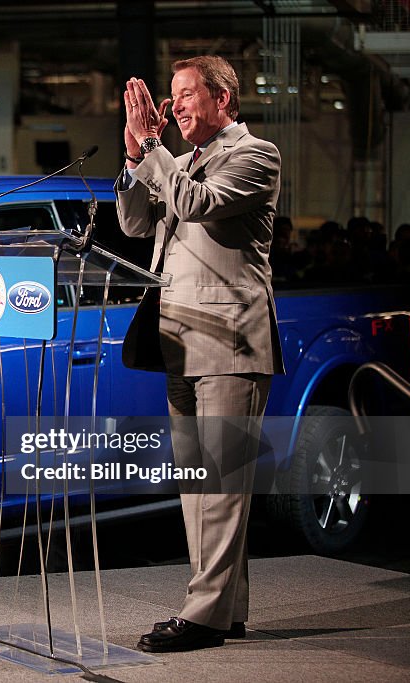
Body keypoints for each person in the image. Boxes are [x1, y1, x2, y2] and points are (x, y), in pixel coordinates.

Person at [116, 55, 283, 653]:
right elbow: (135, 224)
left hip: (231, 343)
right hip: (179, 340)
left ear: (225, 101)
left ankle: (204, 614)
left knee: (221, 487)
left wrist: (154, 149)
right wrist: (136, 155)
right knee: (201, 486)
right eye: (171, 96)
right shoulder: (175, 161)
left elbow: (193, 205)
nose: (175, 105)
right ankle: (227, 607)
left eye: (187, 94)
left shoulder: (255, 156)